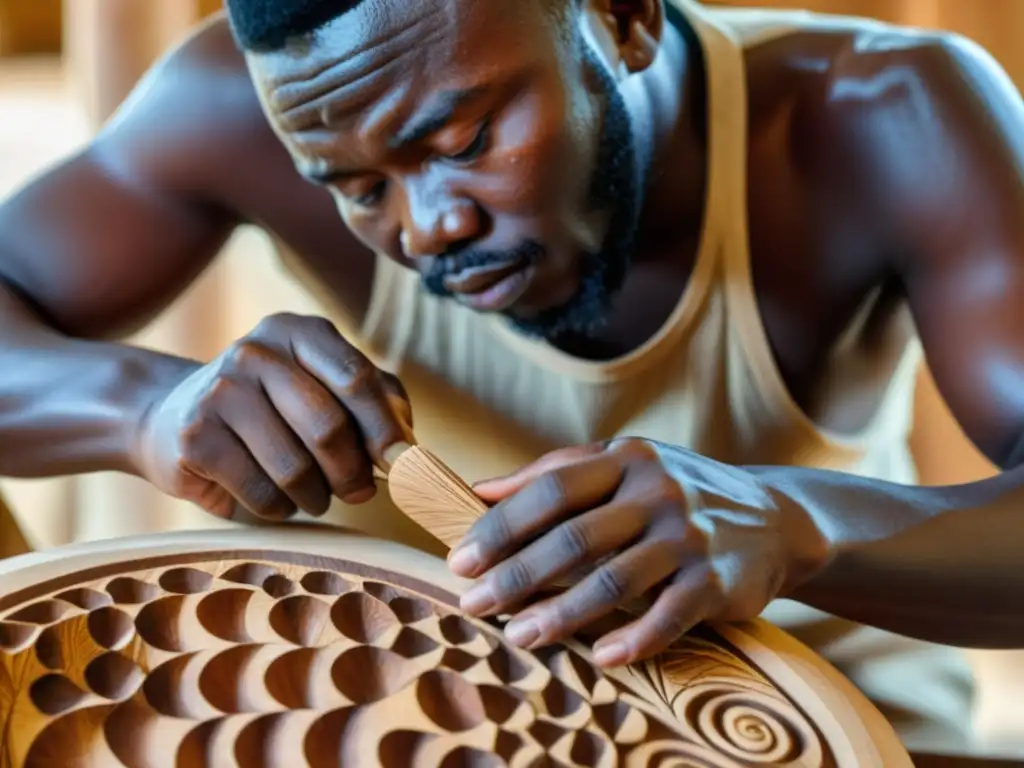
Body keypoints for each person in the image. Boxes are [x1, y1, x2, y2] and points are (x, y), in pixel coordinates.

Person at [1, 0, 1023, 753]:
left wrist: (797, 525)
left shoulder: (880, 116)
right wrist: (142, 407)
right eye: (355, 189)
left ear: (621, 20)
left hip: (826, 725)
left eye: (464, 141)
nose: (425, 226)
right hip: (416, 724)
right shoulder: (242, 105)